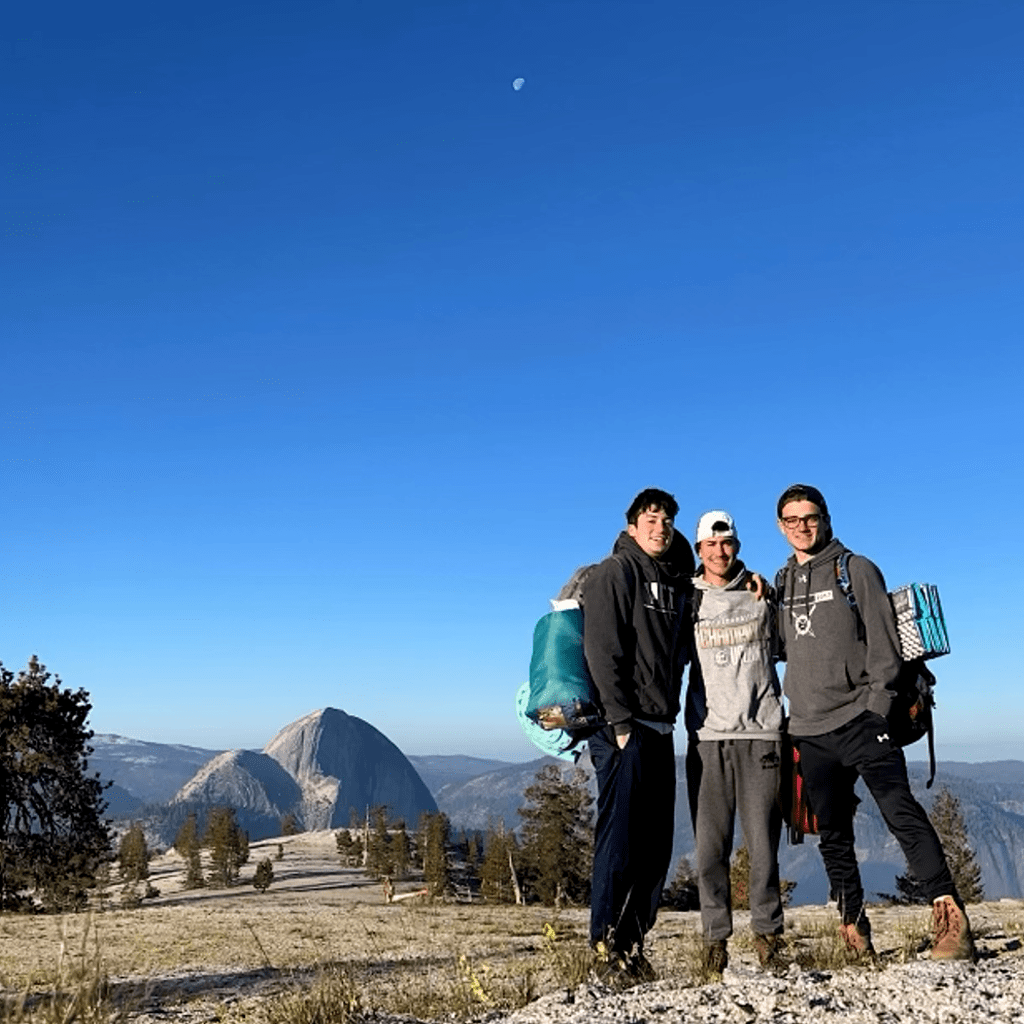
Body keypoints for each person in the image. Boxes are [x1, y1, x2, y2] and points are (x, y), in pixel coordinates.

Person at [775, 483, 974, 960]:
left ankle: (951, 920)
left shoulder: (855, 569)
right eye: (791, 520)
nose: (802, 526)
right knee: (833, 833)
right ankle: (853, 928)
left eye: (810, 517)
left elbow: (885, 648)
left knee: (900, 812)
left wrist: (876, 709)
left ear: (825, 518)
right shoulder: (780, 583)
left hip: (862, 720)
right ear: (781, 526)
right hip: (807, 728)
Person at [582, 487, 694, 982]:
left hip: (661, 727)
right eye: (650, 519)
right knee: (620, 844)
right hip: (623, 730)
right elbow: (601, 652)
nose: (660, 526)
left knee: (656, 848)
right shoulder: (613, 573)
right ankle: (606, 950)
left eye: (667, 519)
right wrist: (621, 724)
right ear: (631, 527)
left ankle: (631, 947)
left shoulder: (675, 582)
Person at [685, 510, 785, 973]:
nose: (719, 552)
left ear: (737, 547)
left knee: (763, 845)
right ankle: (715, 941)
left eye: (726, 544)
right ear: (699, 549)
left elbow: (792, 643)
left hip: (762, 733)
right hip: (708, 738)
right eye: (711, 545)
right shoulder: (688, 601)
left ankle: (767, 937)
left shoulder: (762, 595)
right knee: (710, 848)